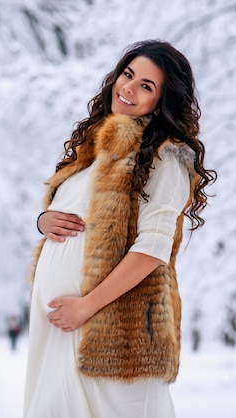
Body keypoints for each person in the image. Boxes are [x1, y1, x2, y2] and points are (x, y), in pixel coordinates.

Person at [23, 39, 216, 418]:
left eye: (146, 85)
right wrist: (44, 221)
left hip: (112, 333)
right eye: (128, 75)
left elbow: (152, 249)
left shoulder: (167, 157)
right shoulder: (96, 147)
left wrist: (85, 307)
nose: (128, 88)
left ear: (162, 101)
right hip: (62, 328)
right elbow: (70, 209)